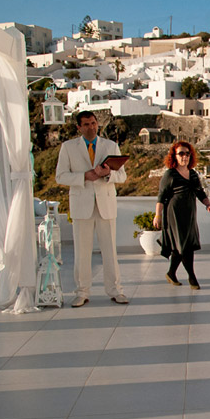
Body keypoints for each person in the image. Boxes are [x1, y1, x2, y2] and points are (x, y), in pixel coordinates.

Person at [55, 111, 128, 307]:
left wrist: (108, 175)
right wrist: (84, 176)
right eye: (86, 124)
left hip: (105, 204)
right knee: (82, 251)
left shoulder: (111, 146)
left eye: (94, 123)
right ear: (79, 127)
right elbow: (60, 176)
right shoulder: (68, 147)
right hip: (81, 205)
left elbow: (122, 176)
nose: (91, 127)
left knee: (110, 250)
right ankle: (82, 292)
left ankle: (115, 290)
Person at [153, 141, 210, 290]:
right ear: (174, 156)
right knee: (183, 245)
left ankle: (171, 273)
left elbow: (200, 192)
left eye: (187, 153)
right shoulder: (170, 174)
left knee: (184, 244)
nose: (184, 156)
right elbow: (161, 196)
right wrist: (157, 215)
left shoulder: (193, 174)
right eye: (181, 153)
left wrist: (208, 204)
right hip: (174, 214)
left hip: (189, 214)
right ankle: (192, 277)